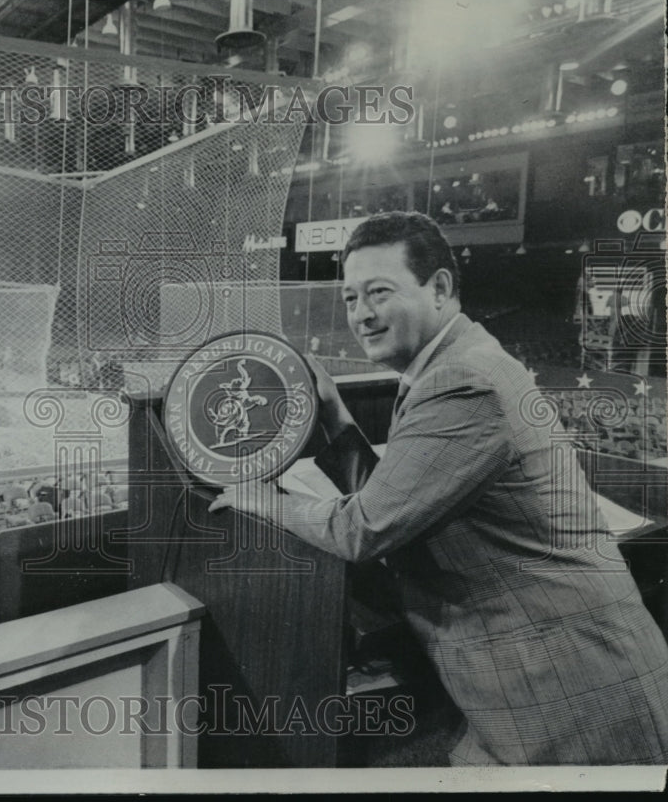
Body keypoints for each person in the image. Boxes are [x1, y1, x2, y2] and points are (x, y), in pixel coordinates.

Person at [211, 212, 668, 766]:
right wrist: (334, 414)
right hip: (537, 678)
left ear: (441, 288)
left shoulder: (463, 381)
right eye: (351, 298)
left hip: (573, 688)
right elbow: (397, 500)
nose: (362, 315)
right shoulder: (454, 363)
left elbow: (364, 528)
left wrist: (257, 497)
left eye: (380, 292)